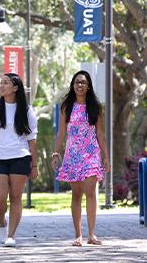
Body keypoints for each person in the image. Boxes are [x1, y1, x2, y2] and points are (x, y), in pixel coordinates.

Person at [51, 70, 110, 247]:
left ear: (88, 86)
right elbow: (61, 133)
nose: (79, 85)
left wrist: (105, 156)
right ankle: (78, 235)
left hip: (91, 153)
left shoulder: (95, 107)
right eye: (77, 82)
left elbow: (100, 133)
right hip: (73, 154)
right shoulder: (66, 107)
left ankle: (92, 234)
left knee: (91, 191)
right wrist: (56, 153)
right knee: (76, 195)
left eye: (83, 82)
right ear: (73, 85)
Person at [0, 73, 38, 248]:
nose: (1, 85)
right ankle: (2, 222)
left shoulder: (26, 110)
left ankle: (11, 235)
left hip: (20, 157)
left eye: (5, 83)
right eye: (1, 82)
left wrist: (34, 165)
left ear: (15, 88)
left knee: (15, 197)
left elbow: (32, 139)